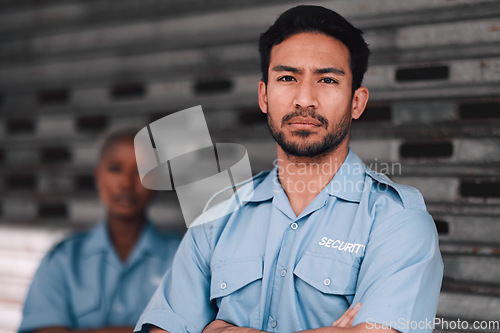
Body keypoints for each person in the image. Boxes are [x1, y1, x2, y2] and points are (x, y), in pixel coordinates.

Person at [135, 5, 443, 333]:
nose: (305, 99)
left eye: (327, 79)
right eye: (287, 78)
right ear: (264, 95)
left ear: (357, 102)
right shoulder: (219, 215)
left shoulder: (397, 220)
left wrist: (220, 329)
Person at [19, 129, 182, 333]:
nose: (126, 183)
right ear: (98, 177)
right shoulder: (63, 259)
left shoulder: (183, 257)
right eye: (115, 169)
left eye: (141, 171)